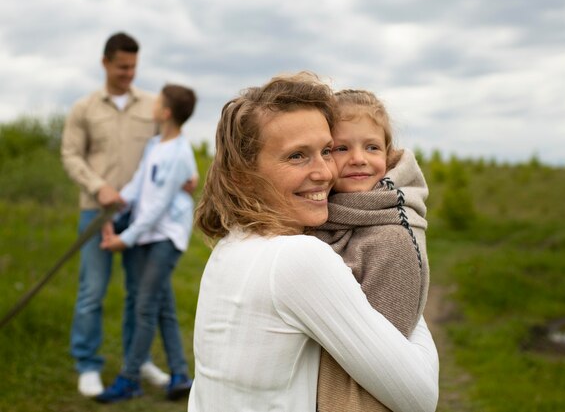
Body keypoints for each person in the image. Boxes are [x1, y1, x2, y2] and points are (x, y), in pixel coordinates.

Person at [189, 72, 438, 412]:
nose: (325, 172)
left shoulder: (232, 243)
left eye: (325, 151)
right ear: (242, 176)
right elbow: (419, 398)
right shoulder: (299, 258)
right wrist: (413, 263)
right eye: (297, 156)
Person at [61, 32, 172, 397]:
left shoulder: (154, 105)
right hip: (98, 213)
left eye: (133, 67)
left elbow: (168, 148)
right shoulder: (84, 108)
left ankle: (136, 360)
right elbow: (71, 156)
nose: (128, 73)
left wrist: (181, 176)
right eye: (122, 66)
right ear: (105, 62)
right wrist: (98, 187)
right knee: (92, 291)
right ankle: (87, 364)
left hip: (142, 217)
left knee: (141, 294)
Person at [314, 89, 431, 412]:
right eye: (341, 148)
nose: (358, 158)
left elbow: (382, 354)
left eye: (372, 147)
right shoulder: (323, 214)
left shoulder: (390, 235)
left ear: (389, 155)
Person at [95, 84, 198, 403]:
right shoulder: (155, 144)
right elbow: (139, 186)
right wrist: (117, 201)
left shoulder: (180, 153)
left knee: (143, 306)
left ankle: (129, 379)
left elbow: (157, 206)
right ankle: (180, 376)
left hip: (166, 237)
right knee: (163, 307)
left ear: (166, 113)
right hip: (148, 234)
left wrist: (124, 240)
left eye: (158, 102)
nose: (153, 105)